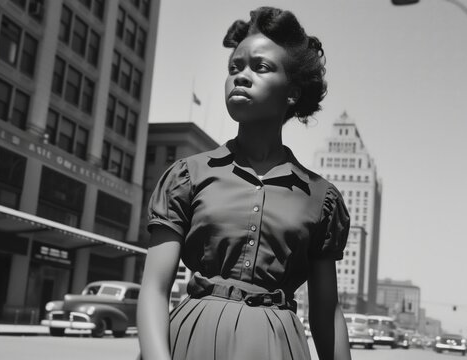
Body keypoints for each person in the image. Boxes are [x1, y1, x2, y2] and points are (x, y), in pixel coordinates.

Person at [138, 6, 352, 360]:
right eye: (234, 68)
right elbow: (154, 290)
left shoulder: (321, 198)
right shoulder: (187, 175)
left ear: (292, 92)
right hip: (188, 346)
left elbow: (327, 312)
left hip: (278, 348)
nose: (241, 76)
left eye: (260, 67)